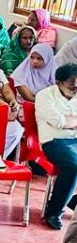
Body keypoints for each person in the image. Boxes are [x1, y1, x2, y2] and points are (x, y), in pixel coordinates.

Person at [35, 63, 77, 229]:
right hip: (54, 141)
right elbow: (57, 122)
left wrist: (67, 121)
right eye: (72, 87)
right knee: (73, 166)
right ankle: (53, 212)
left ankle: (72, 200)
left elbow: (63, 121)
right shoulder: (45, 96)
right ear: (59, 82)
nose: (75, 90)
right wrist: (68, 122)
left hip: (74, 139)